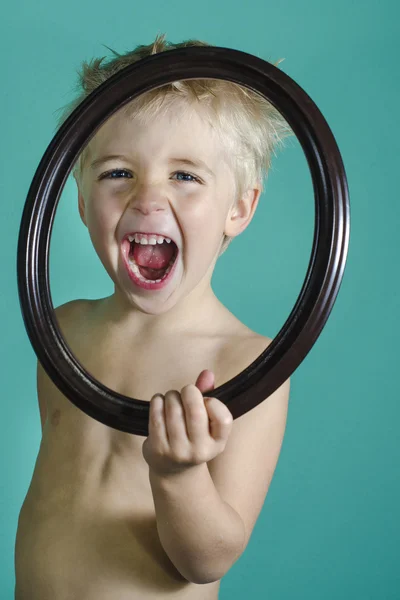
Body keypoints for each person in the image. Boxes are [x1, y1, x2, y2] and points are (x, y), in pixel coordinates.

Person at [15, 33, 292, 599]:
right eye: (117, 172)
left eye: (185, 175)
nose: (147, 198)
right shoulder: (62, 330)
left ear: (238, 207)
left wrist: (179, 476)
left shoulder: (248, 363)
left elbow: (206, 561)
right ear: (79, 200)